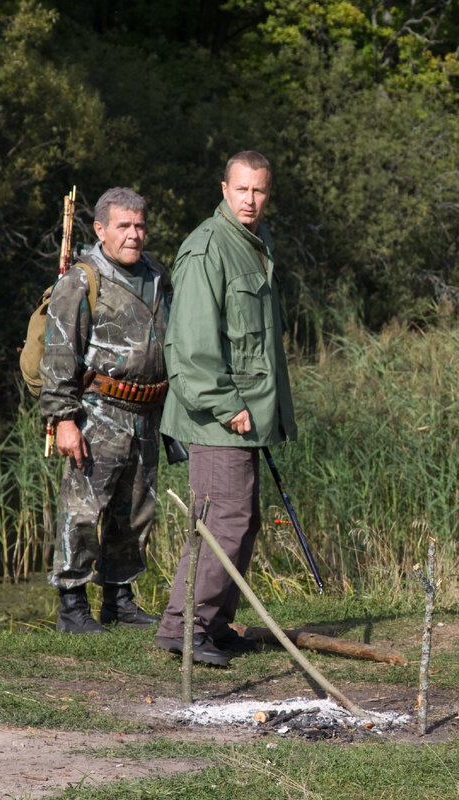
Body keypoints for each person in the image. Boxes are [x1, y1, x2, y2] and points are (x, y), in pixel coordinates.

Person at [153, 151, 297, 667]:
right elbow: (190, 347)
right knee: (224, 518)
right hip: (217, 415)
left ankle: (211, 626)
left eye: (260, 191)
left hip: (248, 415)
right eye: (242, 190)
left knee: (241, 517)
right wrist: (227, 405)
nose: (251, 200)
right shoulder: (208, 247)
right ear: (224, 188)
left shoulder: (254, 245)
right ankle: (185, 630)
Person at [40, 187, 171, 634]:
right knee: (82, 510)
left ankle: (120, 599)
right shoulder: (82, 278)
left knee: (135, 510)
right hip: (97, 411)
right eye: (124, 226)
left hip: (147, 413)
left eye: (139, 225)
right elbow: (59, 352)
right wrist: (62, 420)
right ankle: (72, 607)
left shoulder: (156, 275)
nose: (134, 235)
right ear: (100, 229)